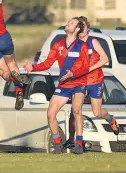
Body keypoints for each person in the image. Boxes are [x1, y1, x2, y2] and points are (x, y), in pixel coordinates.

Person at [24, 17, 90, 154]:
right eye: (68, 22)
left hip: (79, 83)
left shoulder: (82, 45)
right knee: (50, 113)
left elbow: (85, 67)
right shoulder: (58, 44)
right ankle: (58, 144)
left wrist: (72, 73)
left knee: (76, 110)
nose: (68, 24)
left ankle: (78, 144)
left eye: (72, 23)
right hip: (64, 84)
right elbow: (47, 63)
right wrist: (33, 67)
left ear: (77, 29)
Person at [63, 16, 120, 149]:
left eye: (84, 27)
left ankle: (111, 119)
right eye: (79, 27)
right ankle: (73, 140)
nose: (82, 30)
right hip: (80, 81)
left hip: (95, 80)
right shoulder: (74, 43)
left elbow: (105, 59)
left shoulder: (92, 41)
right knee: (75, 110)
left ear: (88, 29)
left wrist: (88, 68)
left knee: (97, 112)